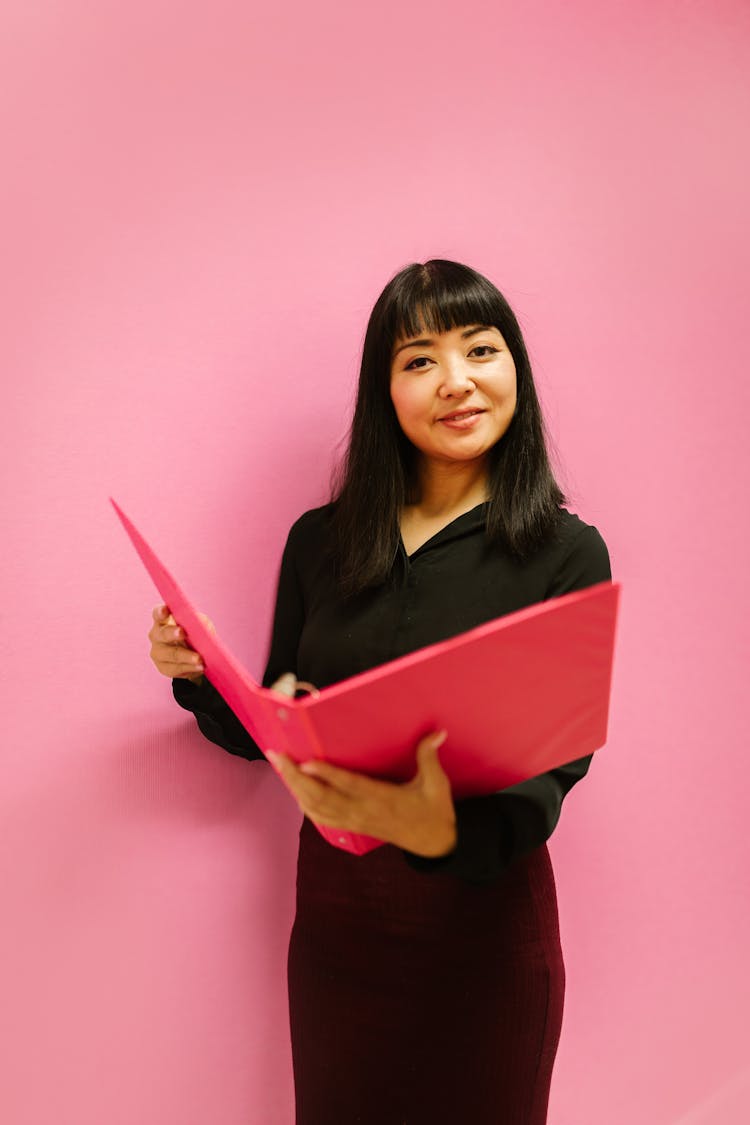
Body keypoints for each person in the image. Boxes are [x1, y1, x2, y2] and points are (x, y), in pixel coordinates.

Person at [147, 259, 611, 1125]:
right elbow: (277, 732)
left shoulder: (567, 553)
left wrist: (432, 826)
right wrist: (203, 676)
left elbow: (551, 774)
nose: (457, 381)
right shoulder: (322, 541)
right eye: (420, 359)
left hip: (485, 928)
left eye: (481, 349)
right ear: (384, 388)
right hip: (339, 927)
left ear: (516, 369)